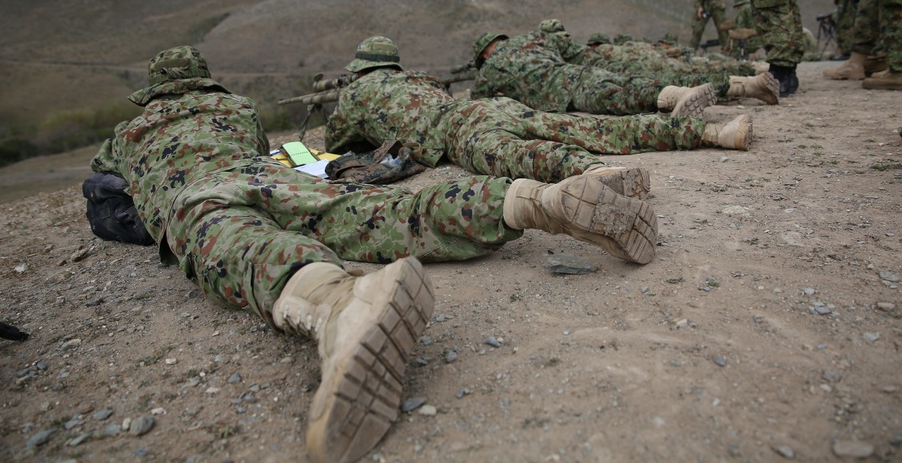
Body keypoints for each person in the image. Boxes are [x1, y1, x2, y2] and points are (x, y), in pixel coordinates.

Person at [90, 46, 660, 463]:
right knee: (393, 216)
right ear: (204, 82)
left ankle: (339, 305)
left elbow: (104, 184)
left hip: (201, 192)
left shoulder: (129, 130)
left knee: (234, 239)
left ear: (154, 90)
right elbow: (267, 148)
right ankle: (539, 200)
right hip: (276, 177)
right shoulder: (237, 108)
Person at [324, 38, 752, 194]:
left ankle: (599, 172)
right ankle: (716, 132)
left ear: (360, 68)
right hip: (488, 107)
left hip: (458, 129)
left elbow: (337, 145)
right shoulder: (418, 79)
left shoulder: (357, 92)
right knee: (593, 125)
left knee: (522, 156)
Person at [470, 31, 718, 118]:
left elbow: (478, 101)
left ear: (483, 55)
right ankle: (679, 91)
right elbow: (569, 49)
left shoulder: (491, 68)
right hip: (578, 71)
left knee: (618, 98)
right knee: (625, 83)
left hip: (565, 93)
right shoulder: (531, 38)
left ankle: (677, 98)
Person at [538, 22, 779, 105]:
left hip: (624, 72)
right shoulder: (586, 48)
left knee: (686, 80)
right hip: (642, 64)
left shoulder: (563, 48)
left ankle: (748, 84)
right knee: (696, 70)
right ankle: (752, 77)